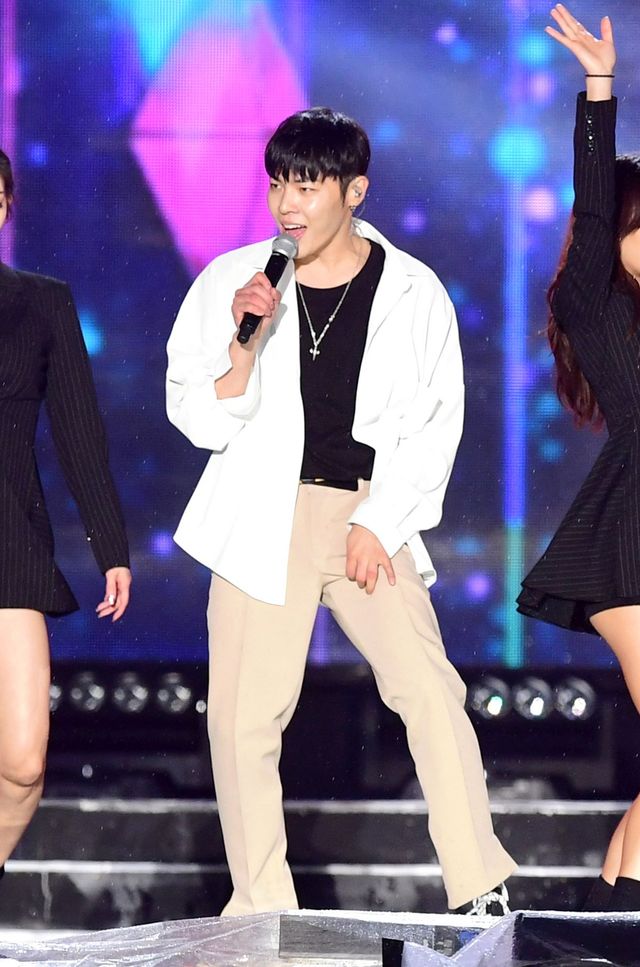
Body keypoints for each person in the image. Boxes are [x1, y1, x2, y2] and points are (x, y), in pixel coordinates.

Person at [167, 106, 516, 917]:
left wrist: (379, 522)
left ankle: (479, 887)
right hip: (263, 512)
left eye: (308, 186)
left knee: (429, 691)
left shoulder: (413, 290)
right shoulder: (233, 282)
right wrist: (243, 347)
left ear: (354, 191)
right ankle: (262, 906)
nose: (287, 204)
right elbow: (197, 417)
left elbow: (436, 422)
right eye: (278, 185)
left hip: (368, 512)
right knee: (244, 720)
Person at [517, 4, 640, 912]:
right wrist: (601, 89)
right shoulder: (594, 304)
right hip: (629, 540)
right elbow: (594, 210)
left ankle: (607, 922)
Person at [0, 150, 131, 878]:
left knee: (23, 763)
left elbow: (79, 432)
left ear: (7, 206)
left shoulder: (41, 303)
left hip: (10, 542)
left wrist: (110, 545)